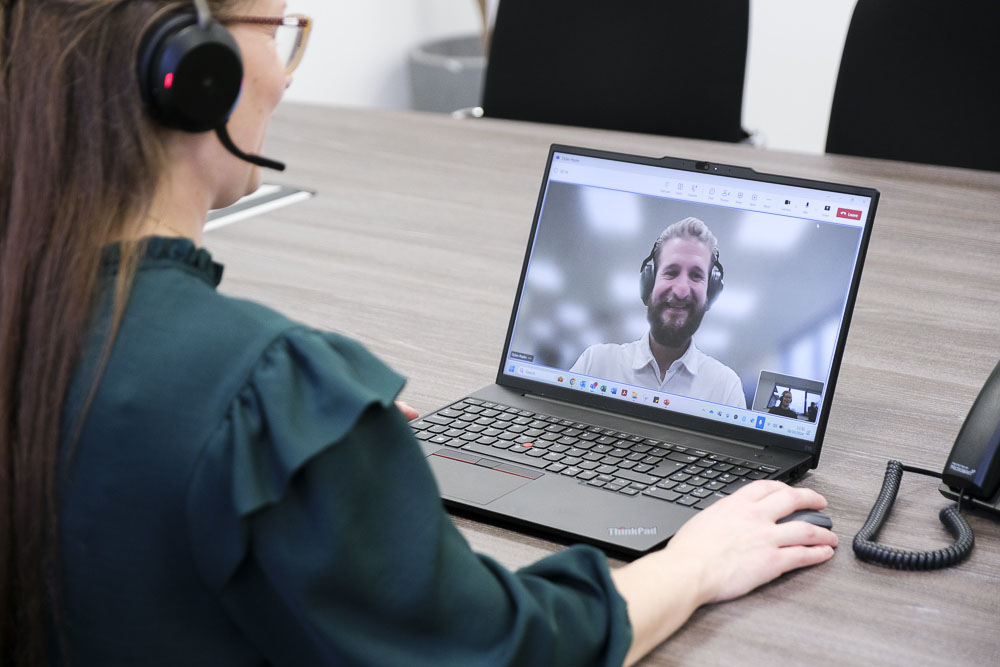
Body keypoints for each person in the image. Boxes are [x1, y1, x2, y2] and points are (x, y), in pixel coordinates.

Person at [0, 1, 837, 665]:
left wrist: (328, 456)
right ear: (193, 70)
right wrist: (692, 563)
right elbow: (503, 650)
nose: (286, 81)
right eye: (280, 32)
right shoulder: (266, 389)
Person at [571, 217, 746, 408]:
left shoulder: (726, 388)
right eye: (671, 272)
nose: (681, 291)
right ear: (649, 283)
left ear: (710, 293)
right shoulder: (595, 364)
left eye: (696, 276)